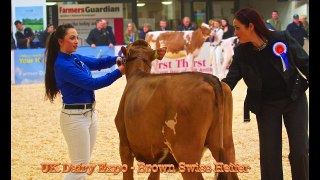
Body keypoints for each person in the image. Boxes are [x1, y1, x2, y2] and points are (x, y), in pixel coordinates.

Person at [222, 7, 309, 180]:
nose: (235, 32)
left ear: (251, 27)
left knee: (300, 151)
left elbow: (305, 63)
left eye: (238, 27)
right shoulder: (240, 53)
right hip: (266, 106)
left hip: (294, 100)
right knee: (270, 156)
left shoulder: (282, 38)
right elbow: (229, 82)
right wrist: (208, 90)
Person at [44, 23, 125, 180]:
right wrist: (119, 72)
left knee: (82, 166)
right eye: (72, 38)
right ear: (60, 41)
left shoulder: (73, 57)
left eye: (77, 38)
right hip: (74, 119)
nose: (76, 41)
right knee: (79, 168)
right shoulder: (62, 65)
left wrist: (117, 59)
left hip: (89, 114)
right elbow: (92, 83)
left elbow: (97, 63)